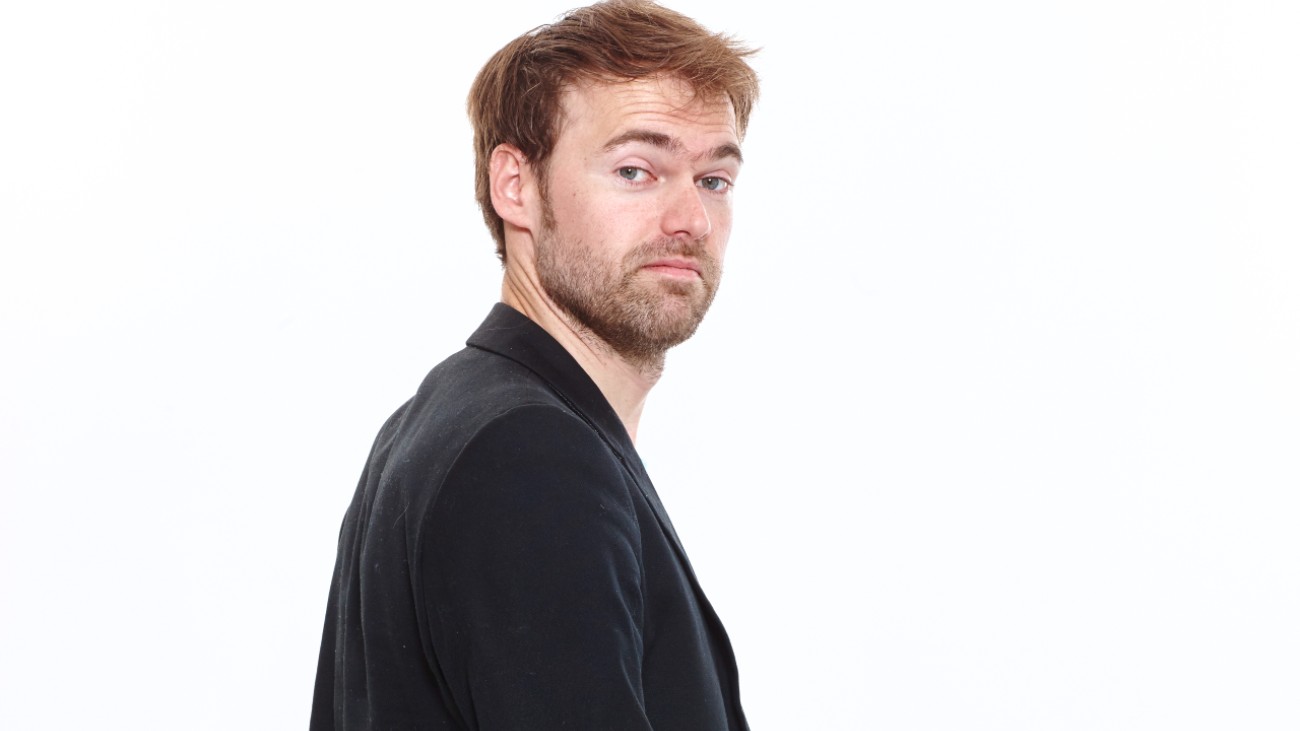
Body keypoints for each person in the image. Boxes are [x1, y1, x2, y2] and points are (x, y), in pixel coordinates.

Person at [310, 1, 759, 728]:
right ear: (515, 185)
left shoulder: (458, 416)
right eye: (636, 170)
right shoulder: (527, 457)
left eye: (714, 179)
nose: (691, 221)